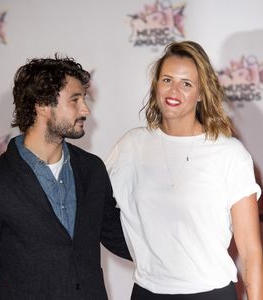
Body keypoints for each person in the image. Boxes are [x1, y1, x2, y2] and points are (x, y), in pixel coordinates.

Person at [0, 55, 131, 300]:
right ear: (42, 104)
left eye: (84, 99)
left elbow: (119, 236)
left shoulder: (92, 169)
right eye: (75, 99)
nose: (85, 110)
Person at [106, 41, 263, 300]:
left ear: (201, 94)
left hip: (210, 293)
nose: (173, 90)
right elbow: (97, 211)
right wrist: (142, 250)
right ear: (156, 84)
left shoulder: (229, 154)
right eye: (167, 79)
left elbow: (249, 250)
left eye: (186, 83)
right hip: (147, 292)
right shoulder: (131, 147)